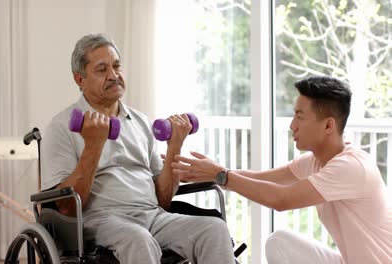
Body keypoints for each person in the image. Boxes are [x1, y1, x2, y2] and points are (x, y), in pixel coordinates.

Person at [40, 33, 235, 264]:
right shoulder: (62, 127)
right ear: (80, 79)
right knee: (138, 239)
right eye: (102, 69)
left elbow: (162, 200)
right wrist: (93, 146)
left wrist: (174, 147)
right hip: (100, 221)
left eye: (116, 66)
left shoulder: (141, 122)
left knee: (213, 229)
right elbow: (66, 206)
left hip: (153, 216)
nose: (113, 75)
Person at [172, 75, 392, 263]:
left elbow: (281, 199)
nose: (292, 126)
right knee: (280, 242)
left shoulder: (351, 167)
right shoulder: (315, 160)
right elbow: (265, 179)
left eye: (299, 116)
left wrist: (221, 175)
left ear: (328, 125)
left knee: (279, 241)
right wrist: (209, 172)